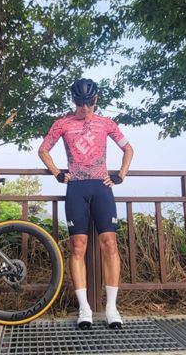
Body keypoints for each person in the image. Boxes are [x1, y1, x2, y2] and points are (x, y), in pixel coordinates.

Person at [38, 78, 134, 330]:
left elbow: (128, 149)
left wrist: (121, 175)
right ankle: (84, 308)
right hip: (76, 188)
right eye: (80, 103)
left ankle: (111, 307)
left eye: (89, 103)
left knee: (110, 243)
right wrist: (57, 173)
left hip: (102, 187)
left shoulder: (107, 123)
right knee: (77, 247)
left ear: (96, 99)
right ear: (73, 100)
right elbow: (43, 150)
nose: (85, 108)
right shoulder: (62, 123)